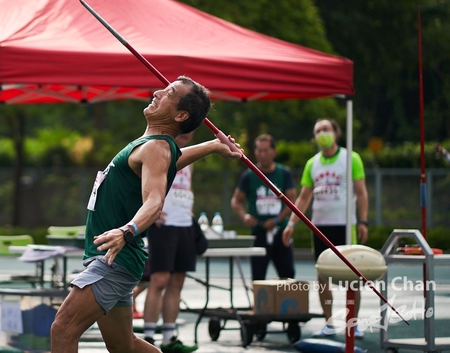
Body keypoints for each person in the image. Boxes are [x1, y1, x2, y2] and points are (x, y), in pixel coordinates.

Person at [50, 76, 243, 353]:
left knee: (63, 329)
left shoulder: (156, 147)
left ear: (180, 115)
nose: (157, 92)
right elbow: (171, 160)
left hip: (114, 258)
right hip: (117, 258)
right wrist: (212, 147)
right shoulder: (158, 146)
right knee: (123, 347)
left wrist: (126, 231)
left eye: (169, 92)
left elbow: (155, 202)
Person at [281, 119, 369, 339]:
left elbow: (361, 192)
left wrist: (363, 221)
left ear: (336, 133)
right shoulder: (313, 163)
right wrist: (292, 223)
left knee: (351, 277)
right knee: (322, 278)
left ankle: (353, 323)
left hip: (344, 226)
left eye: (326, 129)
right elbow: (303, 197)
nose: (322, 133)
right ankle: (329, 322)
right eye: (318, 130)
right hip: (320, 227)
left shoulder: (351, 158)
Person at [142, 131, 198, 352]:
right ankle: (147, 337)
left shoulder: (191, 156)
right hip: (163, 225)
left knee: (177, 282)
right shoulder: (159, 150)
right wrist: (150, 210)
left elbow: (188, 187)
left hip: (185, 224)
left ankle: (169, 337)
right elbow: (143, 180)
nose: (188, 133)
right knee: (159, 281)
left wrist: (190, 213)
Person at [231, 134, 296, 281]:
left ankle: (287, 303)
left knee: (287, 275)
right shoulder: (249, 175)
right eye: (259, 150)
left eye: (266, 150)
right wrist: (244, 216)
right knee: (258, 277)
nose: (262, 154)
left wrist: (277, 220)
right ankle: (260, 304)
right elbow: (236, 201)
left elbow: (292, 201)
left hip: (280, 231)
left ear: (274, 151)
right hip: (258, 231)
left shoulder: (284, 173)